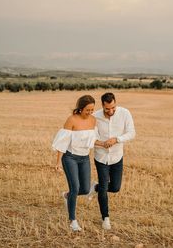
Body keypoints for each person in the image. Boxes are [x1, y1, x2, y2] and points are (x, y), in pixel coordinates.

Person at [52, 95, 103, 232]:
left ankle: (67, 196)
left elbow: (92, 140)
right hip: (70, 158)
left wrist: (103, 144)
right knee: (75, 187)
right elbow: (63, 142)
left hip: (84, 158)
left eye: (92, 110)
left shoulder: (93, 120)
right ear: (81, 109)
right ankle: (72, 220)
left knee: (85, 189)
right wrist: (58, 162)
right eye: (88, 110)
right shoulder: (72, 120)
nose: (90, 113)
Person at [88, 92, 135, 230]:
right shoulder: (95, 117)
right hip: (101, 157)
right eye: (107, 108)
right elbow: (92, 138)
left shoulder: (125, 113)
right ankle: (105, 218)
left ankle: (94, 187)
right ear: (102, 105)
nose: (111, 111)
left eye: (113, 107)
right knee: (103, 189)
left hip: (116, 156)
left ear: (115, 103)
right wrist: (102, 144)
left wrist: (116, 139)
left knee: (115, 187)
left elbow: (132, 132)